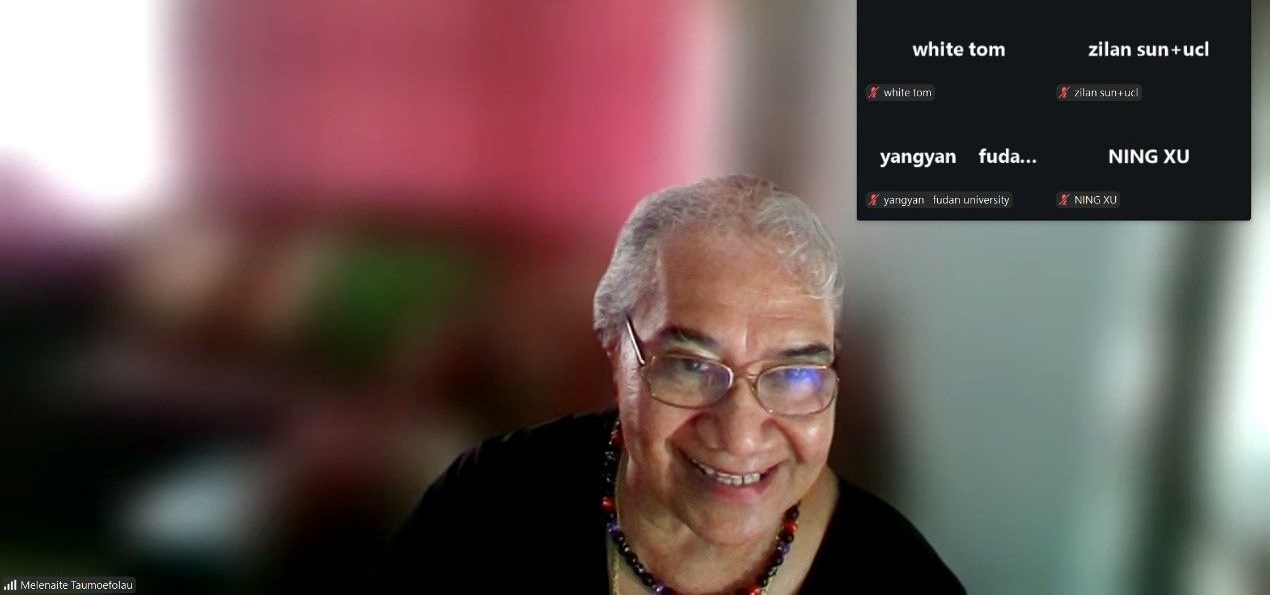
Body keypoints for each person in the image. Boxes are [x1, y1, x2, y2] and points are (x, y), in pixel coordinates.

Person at [364, 175, 963, 593]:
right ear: (614, 348)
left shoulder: (901, 580)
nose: (740, 434)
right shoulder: (487, 508)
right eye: (691, 365)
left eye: (794, 373)